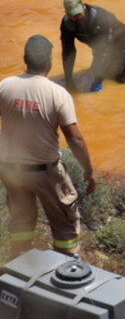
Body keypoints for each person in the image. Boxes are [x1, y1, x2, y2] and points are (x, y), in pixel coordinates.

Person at [0, 35, 95, 258]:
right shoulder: (57, 94)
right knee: (65, 226)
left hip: (12, 171)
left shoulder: (5, 86)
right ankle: (66, 270)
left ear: (25, 59)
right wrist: (88, 171)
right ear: (49, 62)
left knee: (21, 224)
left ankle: (18, 267)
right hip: (46, 173)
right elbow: (75, 139)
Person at [60, 0, 125, 92]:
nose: (77, 17)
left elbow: (106, 47)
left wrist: (98, 78)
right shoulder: (67, 25)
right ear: (67, 13)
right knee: (99, 70)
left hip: (123, 45)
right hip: (101, 49)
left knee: (122, 81)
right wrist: (68, 79)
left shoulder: (100, 18)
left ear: (83, 6)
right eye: (73, 15)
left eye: (79, 12)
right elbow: (68, 52)